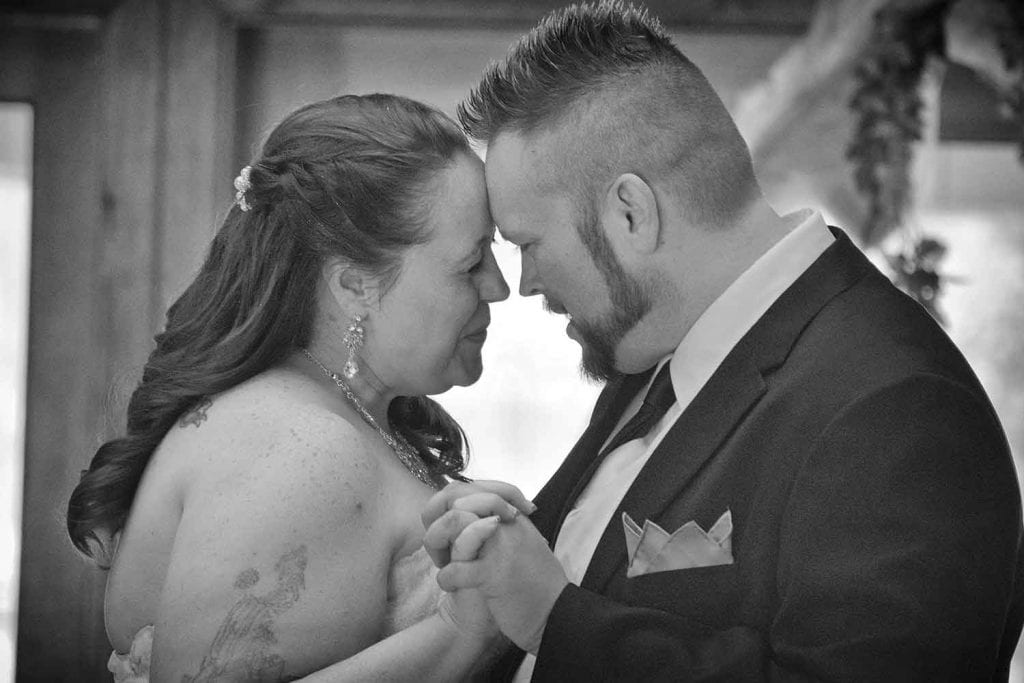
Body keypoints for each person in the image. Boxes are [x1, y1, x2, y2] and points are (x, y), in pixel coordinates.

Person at [422, 2, 1024, 680]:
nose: (523, 283)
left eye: (529, 243)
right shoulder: (652, 352)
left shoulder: (900, 410)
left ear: (631, 214)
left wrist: (558, 620)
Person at [66, 93, 531, 681]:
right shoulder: (302, 449)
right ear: (354, 285)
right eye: (470, 264)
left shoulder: (342, 417)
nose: (497, 287)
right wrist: (465, 630)